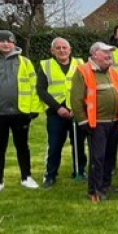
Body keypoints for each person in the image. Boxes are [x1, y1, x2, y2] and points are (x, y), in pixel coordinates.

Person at [0, 30, 41, 197]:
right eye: (2, 41)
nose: (6, 44)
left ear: (14, 43)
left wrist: (34, 108)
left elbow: (34, 87)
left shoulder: (25, 62)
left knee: (23, 146)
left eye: (9, 41)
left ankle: (26, 177)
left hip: (20, 112)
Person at [70, 42, 118, 202]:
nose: (109, 55)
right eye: (105, 52)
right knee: (98, 157)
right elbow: (76, 99)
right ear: (94, 54)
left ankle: (106, 185)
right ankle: (94, 190)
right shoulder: (83, 71)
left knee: (110, 156)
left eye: (110, 53)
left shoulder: (113, 72)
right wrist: (83, 121)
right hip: (97, 123)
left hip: (114, 121)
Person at [37, 37, 87, 187]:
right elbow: (41, 90)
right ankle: (51, 175)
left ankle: (80, 171)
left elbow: (87, 86)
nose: (62, 50)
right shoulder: (45, 66)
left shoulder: (80, 64)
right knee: (55, 144)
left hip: (76, 110)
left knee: (78, 143)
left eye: (64, 48)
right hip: (56, 112)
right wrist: (58, 108)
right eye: (58, 48)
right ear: (52, 51)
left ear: (70, 49)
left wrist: (76, 108)